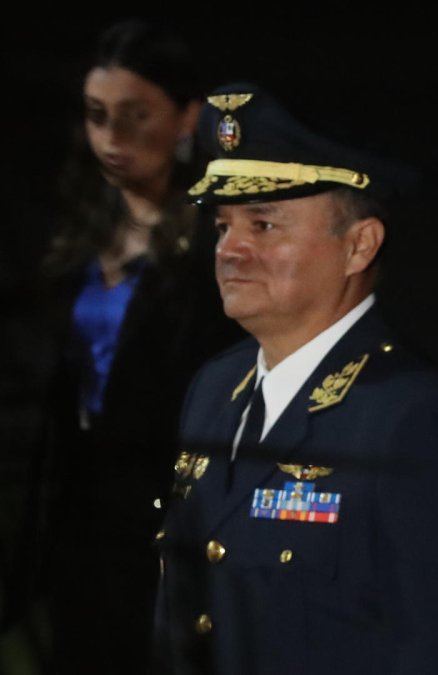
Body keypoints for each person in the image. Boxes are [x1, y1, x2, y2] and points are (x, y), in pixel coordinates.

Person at [153, 83, 438, 674]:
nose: (230, 250)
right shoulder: (214, 394)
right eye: (223, 227)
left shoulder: (418, 421)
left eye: (264, 225)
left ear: (359, 246)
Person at [23, 19, 236, 673]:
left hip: (163, 534)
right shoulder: (77, 230)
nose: (111, 139)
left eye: (135, 115)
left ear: (185, 119)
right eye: (96, 115)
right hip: (75, 526)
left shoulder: (218, 244)